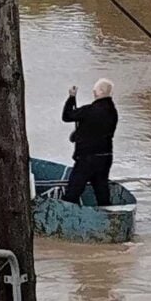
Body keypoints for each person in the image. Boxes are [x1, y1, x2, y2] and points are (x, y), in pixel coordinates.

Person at [61, 78, 118, 206]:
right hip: (105, 157)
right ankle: (107, 218)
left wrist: (71, 97)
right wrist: (77, 134)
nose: (93, 92)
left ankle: (67, 217)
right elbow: (95, 130)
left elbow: (67, 116)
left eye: (95, 90)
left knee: (73, 193)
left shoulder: (89, 110)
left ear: (100, 92)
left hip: (87, 158)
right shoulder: (113, 112)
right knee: (102, 192)